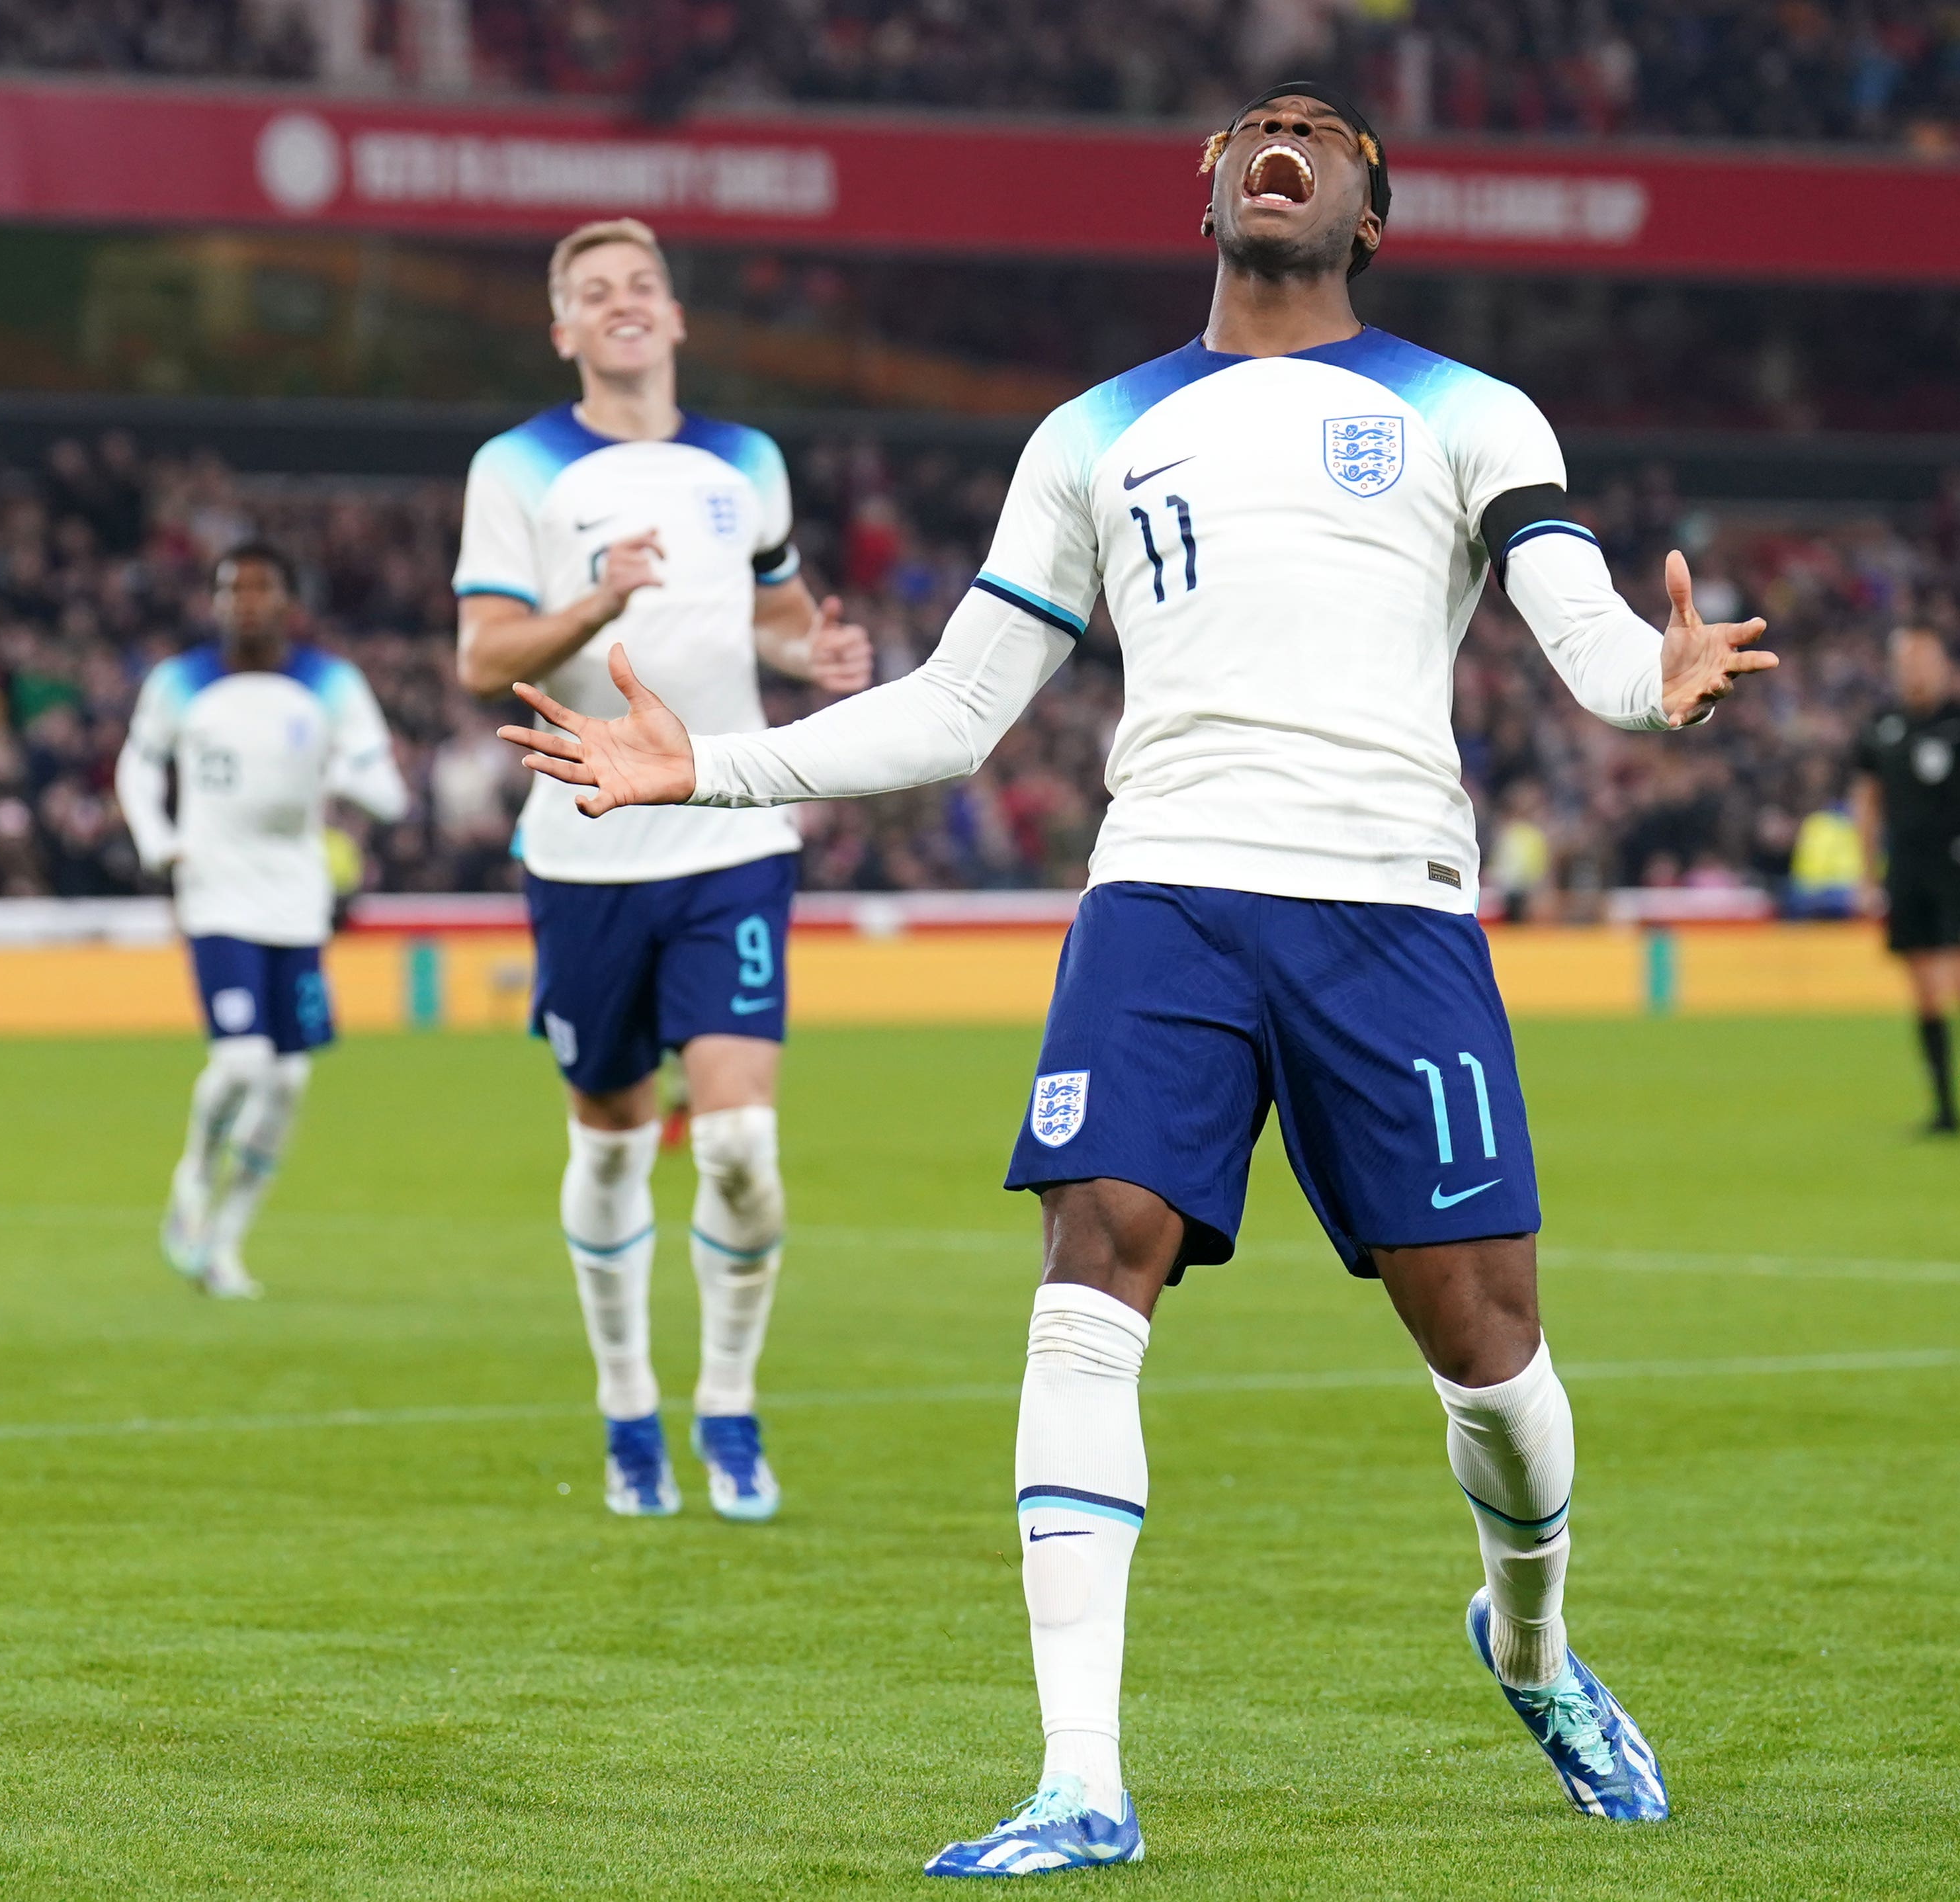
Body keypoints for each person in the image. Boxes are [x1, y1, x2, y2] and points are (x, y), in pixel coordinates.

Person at [497, 85, 1775, 1875]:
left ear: (1370, 207)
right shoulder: (1094, 431)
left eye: (1322, 132)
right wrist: (703, 764)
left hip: (1391, 909)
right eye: (1254, 126)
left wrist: (1665, 676)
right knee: (1095, 1265)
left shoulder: (1473, 415)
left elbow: (1584, 640)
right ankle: (1079, 1776)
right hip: (1164, 892)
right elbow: (957, 709)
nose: (1284, 140)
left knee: (1483, 1342)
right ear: (1205, 189)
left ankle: (1535, 1643)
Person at [450, 218, 873, 1522]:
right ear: (564, 330)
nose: (622, 304)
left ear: (675, 318)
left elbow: (781, 609)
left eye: (642, 285)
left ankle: (729, 1407)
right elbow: (480, 660)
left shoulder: (746, 464)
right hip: (583, 850)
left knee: (741, 1140)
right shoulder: (517, 467)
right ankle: (626, 1407)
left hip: (731, 835)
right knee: (617, 1143)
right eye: (593, 292)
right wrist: (597, 601)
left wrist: (814, 661)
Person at [116, 543, 407, 1299]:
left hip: (296, 897)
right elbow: (137, 767)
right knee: (243, 1061)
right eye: (230, 589)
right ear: (213, 602)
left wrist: (346, 777)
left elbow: (388, 789)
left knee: (287, 1079)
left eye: (260, 588)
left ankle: (224, 1244)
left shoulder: (330, 683)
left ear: (288, 599)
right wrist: (157, 841)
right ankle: (192, 1171)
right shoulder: (179, 680)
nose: (245, 601)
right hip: (215, 889)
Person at [1851, 626, 1960, 1134]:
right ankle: (1946, 1109)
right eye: (1906, 661)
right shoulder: (1880, 726)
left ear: (1943, 664)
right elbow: (1866, 802)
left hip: (1958, 863)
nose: (1915, 670)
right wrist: (1867, 872)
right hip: (1905, 866)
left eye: (1924, 659)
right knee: (1924, 987)